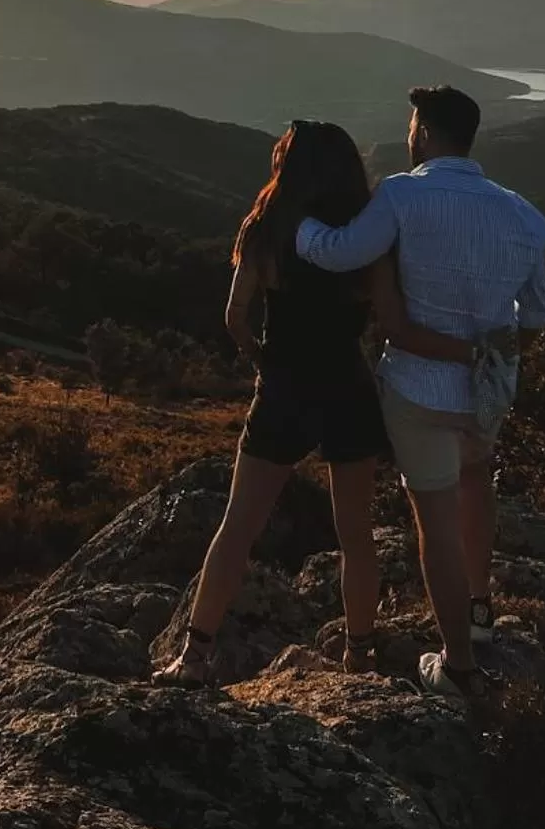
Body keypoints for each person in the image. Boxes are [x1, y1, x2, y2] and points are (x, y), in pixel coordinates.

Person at [154, 118, 472, 686]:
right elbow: (388, 318)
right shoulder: (365, 237)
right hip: (348, 386)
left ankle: (194, 656)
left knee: (238, 527)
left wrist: (262, 359)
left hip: (284, 387)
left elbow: (234, 319)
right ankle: (360, 652)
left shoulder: (266, 229)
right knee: (354, 532)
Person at [296, 84, 545, 702]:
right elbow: (537, 313)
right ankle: (480, 619)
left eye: (413, 125)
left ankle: (458, 668)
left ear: (428, 134)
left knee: (436, 523)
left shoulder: (404, 194)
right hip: (488, 391)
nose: (409, 134)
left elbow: (340, 253)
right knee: (477, 486)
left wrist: (294, 224)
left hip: (419, 387)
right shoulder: (523, 214)